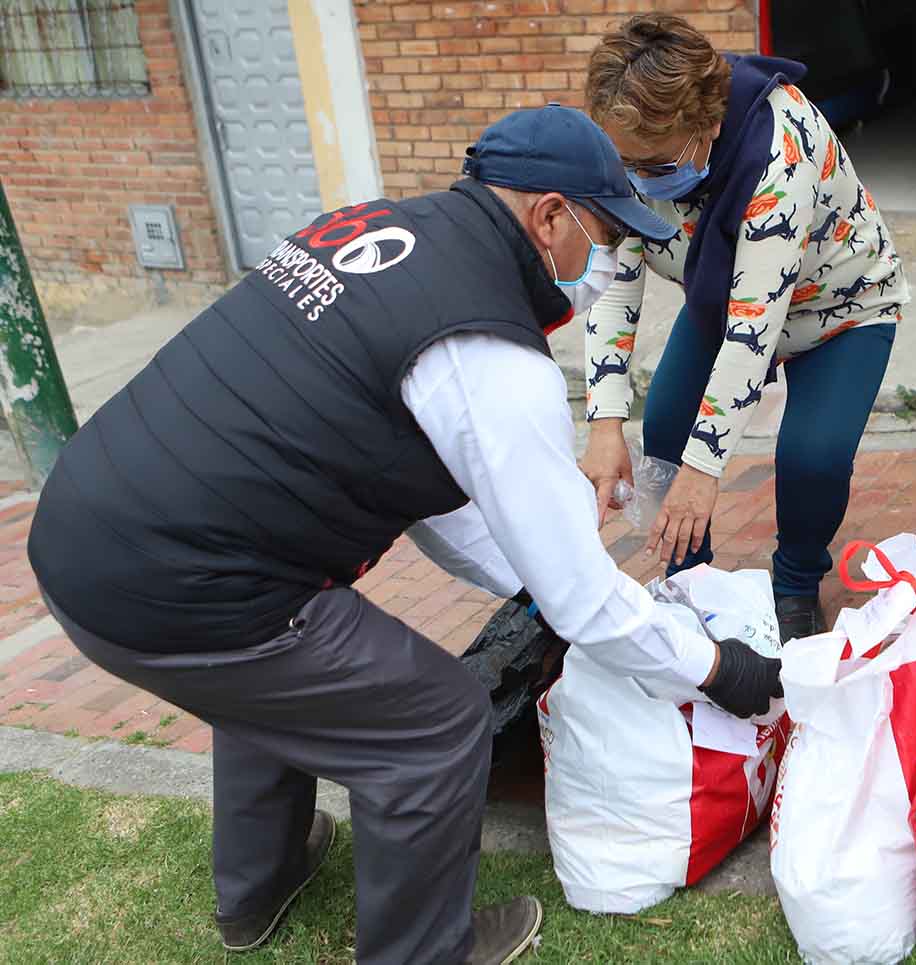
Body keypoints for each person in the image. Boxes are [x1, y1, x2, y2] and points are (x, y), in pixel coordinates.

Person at [26, 105, 782, 965]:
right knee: (434, 720)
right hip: (179, 584)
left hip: (87, 529)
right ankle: (422, 952)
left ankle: (256, 887)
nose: (602, 264)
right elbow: (583, 605)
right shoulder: (491, 352)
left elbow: (431, 492)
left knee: (273, 678)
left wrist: (536, 565)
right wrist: (716, 667)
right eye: (602, 235)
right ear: (548, 215)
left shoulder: (371, 227)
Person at [577, 14, 910, 642]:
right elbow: (616, 278)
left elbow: (752, 333)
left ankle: (795, 583)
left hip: (836, 307)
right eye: (626, 165)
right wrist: (604, 420)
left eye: (652, 165)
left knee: (812, 457)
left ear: (706, 127)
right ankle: (693, 585)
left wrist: (707, 473)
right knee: (668, 433)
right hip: (721, 298)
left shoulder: (779, 155)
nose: (639, 181)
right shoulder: (628, 148)